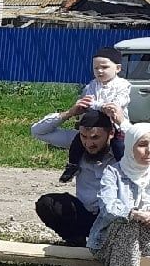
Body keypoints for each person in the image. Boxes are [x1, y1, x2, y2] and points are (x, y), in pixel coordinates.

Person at [31, 104, 124, 246]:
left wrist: (122, 122)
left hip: (113, 217)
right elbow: (38, 131)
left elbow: (143, 140)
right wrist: (69, 113)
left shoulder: (125, 149)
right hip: (86, 214)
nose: (88, 143)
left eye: (95, 137)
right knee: (47, 204)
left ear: (110, 133)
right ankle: (76, 241)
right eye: (84, 136)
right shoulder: (77, 143)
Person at [91, 122, 150, 266]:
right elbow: (108, 207)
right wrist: (134, 214)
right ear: (130, 146)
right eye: (142, 145)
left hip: (145, 237)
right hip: (112, 240)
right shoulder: (113, 172)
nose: (148, 150)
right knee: (129, 225)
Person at [58, 48, 132, 183]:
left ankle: (124, 170)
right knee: (77, 142)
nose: (99, 71)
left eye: (104, 67)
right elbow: (88, 101)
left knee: (119, 145)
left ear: (118, 68)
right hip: (95, 122)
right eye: (96, 68)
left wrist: (110, 106)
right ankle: (73, 165)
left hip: (115, 122)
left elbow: (121, 101)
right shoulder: (93, 84)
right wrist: (102, 106)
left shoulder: (123, 84)